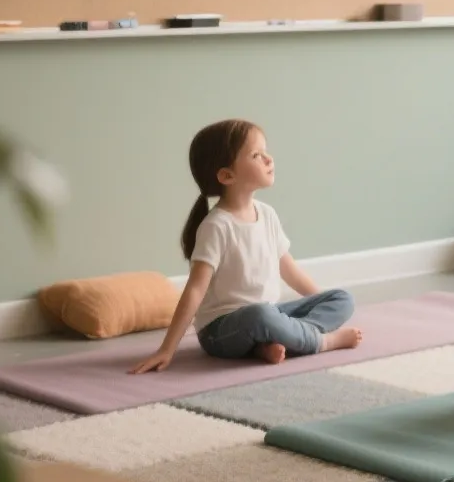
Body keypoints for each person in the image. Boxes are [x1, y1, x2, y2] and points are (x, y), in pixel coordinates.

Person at [132, 120, 360, 374]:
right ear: (227, 175)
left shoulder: (267, 214)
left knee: (342, 299)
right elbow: (195, 290)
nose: (268, 159)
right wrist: (167, 349)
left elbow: (289, 270)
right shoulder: (216, 226)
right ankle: (321, 341)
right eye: (256, 155)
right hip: (222, 330)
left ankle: (271, 343)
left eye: (266, 151)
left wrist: (319, 302)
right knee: (261, 316)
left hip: (269, 315)